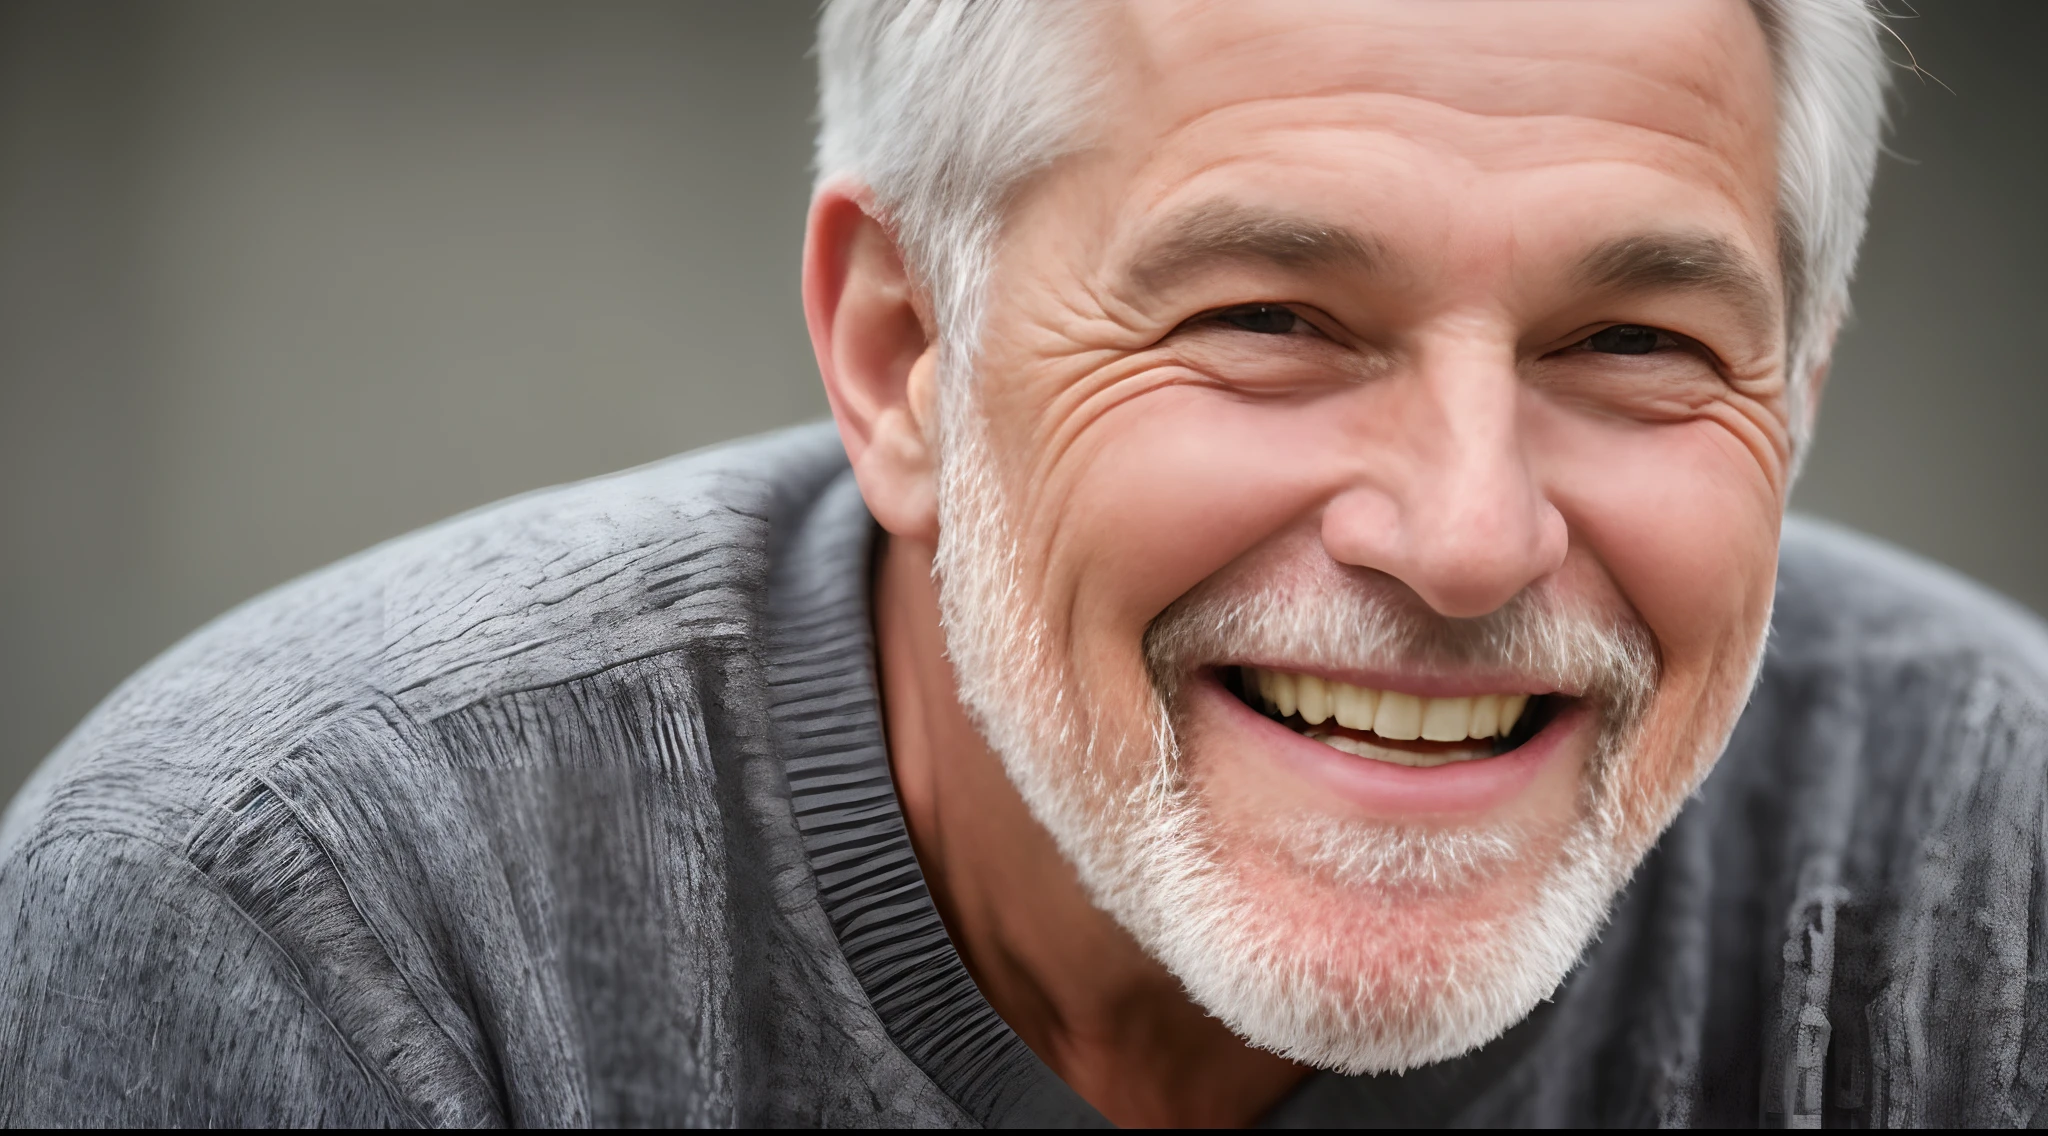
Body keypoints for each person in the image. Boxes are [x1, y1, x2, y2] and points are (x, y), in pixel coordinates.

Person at [3, 0, 2041, 1126]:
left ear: (1794, 389)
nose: (1467, 532)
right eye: (1269, 317)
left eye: (1633, 346)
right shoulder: (299, 925)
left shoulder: (1994, 862)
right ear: (901, 353)